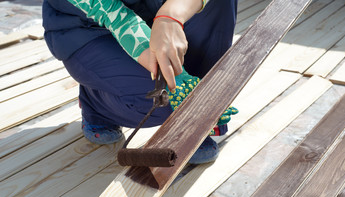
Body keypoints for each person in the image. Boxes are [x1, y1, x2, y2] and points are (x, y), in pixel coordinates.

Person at [42, 0, 238, 164]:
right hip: (89, 29)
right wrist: (178, 82)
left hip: (153, 9)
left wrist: (171, 15)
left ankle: (193, 124)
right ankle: (95, 103)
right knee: (161, 100)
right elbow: (116, 17)